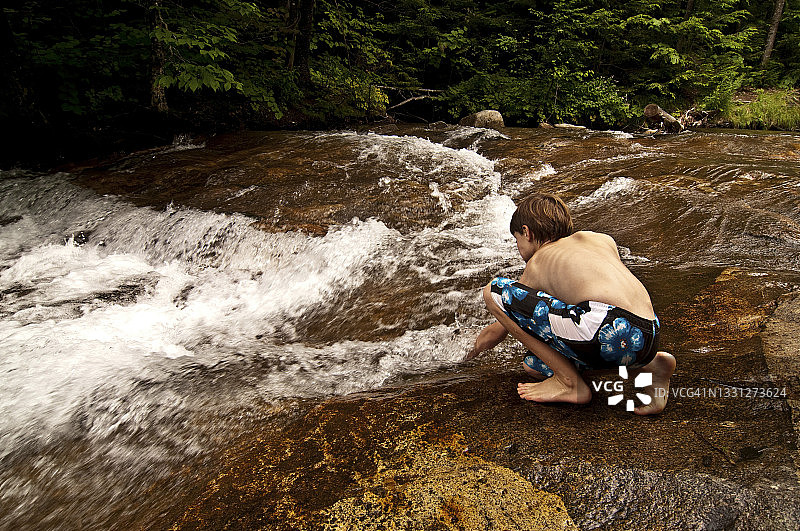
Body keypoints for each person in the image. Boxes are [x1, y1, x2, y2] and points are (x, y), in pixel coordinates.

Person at [465, 192, 676, 414]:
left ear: (526, 233)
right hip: (648, 334)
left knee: (495, 291)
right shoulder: (599, 239)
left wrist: (469, 353)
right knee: (534, 365)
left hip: (606, 325)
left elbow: (500, 327)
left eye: (517, 240)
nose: (519, 250)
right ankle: (650, 368)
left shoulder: (537, 262)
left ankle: (569, 383)